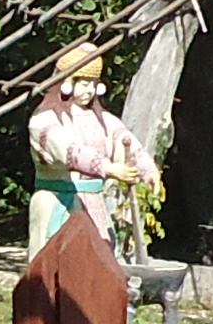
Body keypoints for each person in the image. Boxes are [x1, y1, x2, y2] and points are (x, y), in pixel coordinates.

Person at [26, 44, 148, 259]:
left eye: (93, 84)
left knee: (96, 265)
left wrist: (146, 169)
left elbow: (124, 140)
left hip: (94, 205)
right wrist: (107, 168)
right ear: (66, 83)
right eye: (83, 84)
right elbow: (69, 151)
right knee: (55, 261)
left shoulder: (102, 120)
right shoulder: (45, 119)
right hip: (57, 201)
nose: (89, 91)